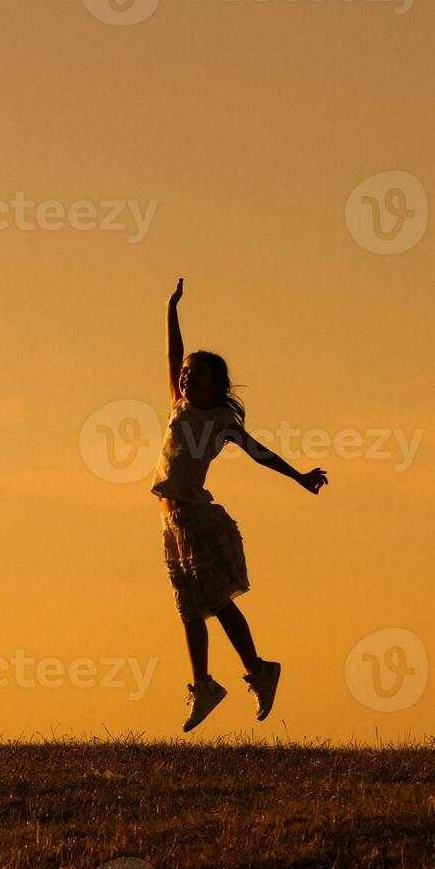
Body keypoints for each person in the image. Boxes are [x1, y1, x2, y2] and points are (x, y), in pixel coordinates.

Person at [154, 278, 329, 732]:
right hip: (170, 524)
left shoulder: (220, 422)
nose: (187, 376)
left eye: (198, 374)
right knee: (188, 609)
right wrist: (171, 310)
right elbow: (173, 355)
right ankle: (204, 685)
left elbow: (260, 453)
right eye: (187, 373)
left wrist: (300, 477)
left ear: (217, 386)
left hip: (195, 518)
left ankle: (259, 669)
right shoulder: (177, 406)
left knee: (214, 601)